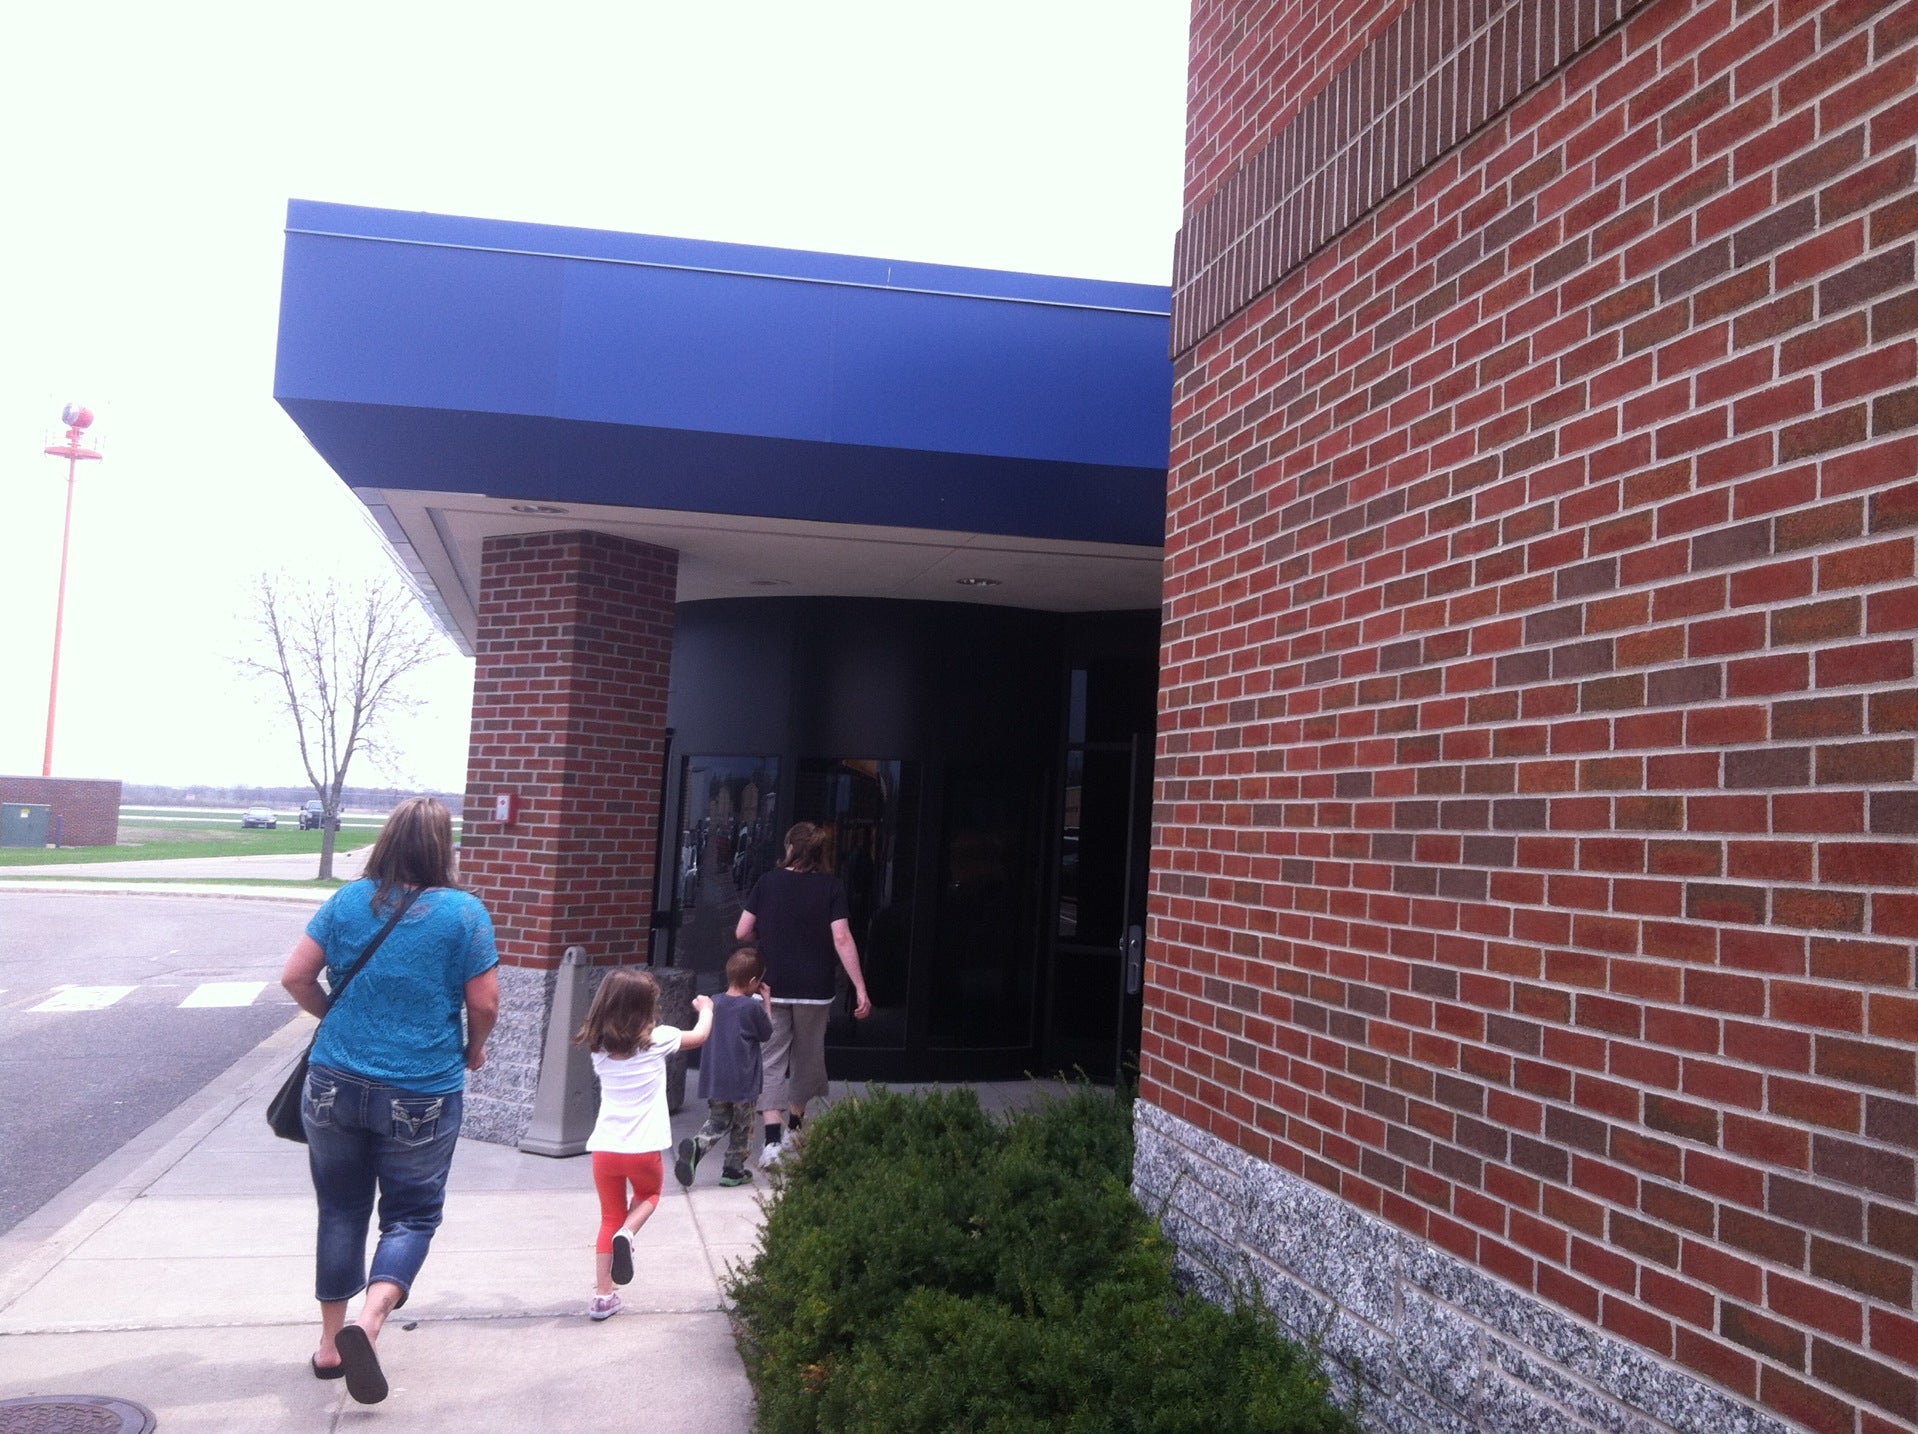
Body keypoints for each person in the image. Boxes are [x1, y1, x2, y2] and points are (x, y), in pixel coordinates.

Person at [280, 796, 499, 1406]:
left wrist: (335, 1017)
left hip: (333, 1082)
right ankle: (370, 1321)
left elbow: (295, 976)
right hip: (421, 1089)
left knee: (340, 1210)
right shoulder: (465, 914)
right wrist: (474, 1049)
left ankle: (330, 1347)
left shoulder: (347, 901)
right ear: (443, 847)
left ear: (386, 839)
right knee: (412, 1216)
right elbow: (484, 1003)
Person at [575, 968, 714, 1320]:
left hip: (605, 1149)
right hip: (644, 1149)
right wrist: (707, 1009)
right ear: (646, 1007)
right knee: (649, 1195)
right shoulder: (659, 1039)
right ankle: (628, 1233)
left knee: (609, 1216)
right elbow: (700, 1036)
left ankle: (603, 1296)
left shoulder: (598, 1048)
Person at [735, 821, 871, 1168]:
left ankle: (771, 1143)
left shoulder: (767, 882)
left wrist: (769, 935)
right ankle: (795, 1128)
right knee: (807, 1059)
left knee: (771, 1060)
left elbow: (742, 931)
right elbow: (842, 938)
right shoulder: (832, 887)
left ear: (790, 847)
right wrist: (859, 986)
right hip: (815, 989)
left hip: (772, 986)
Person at [674, 945, 774, 1188]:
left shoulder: (714, 1003)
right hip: (743, 1081)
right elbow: (767, 1033)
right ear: (753, 981)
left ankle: (697, 1146)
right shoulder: (752, 1007)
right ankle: (733, 1170)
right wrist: (767, 1002)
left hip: (716, 1078)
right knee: (743, 1126)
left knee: (718, 1120)